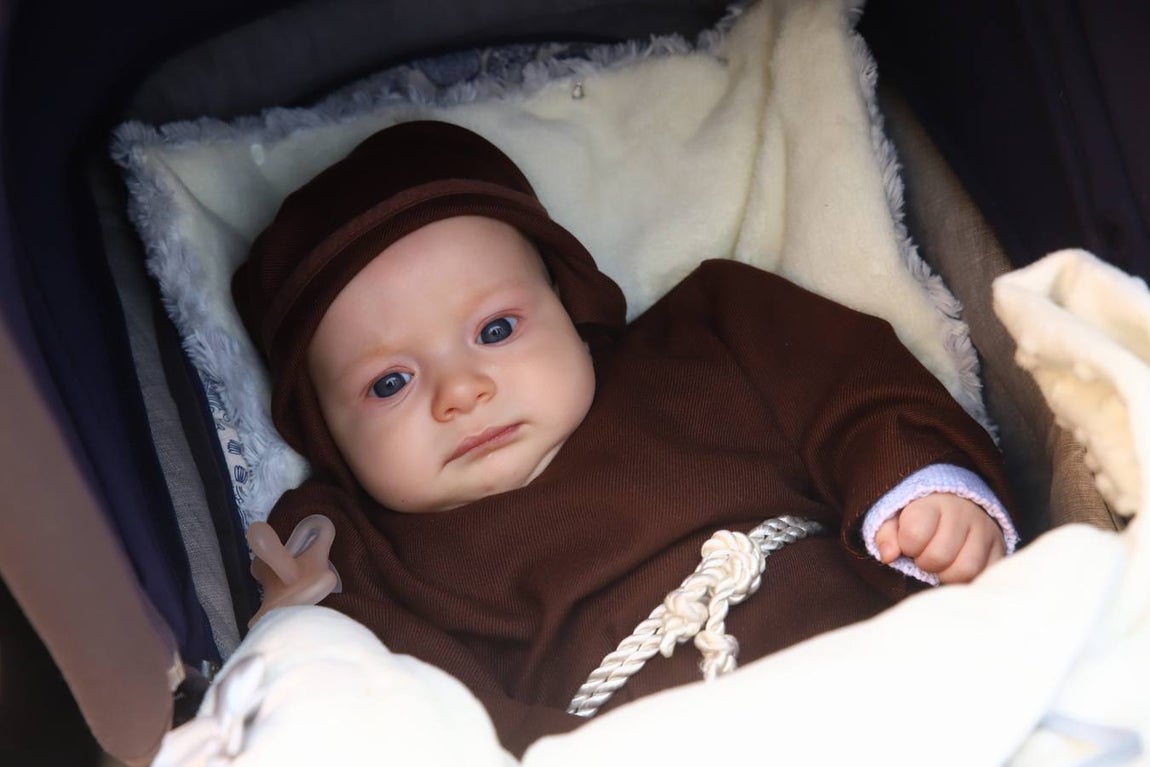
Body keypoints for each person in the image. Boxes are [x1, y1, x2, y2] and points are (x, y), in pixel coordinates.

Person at [232, 120, 1018, 756]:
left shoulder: (703, 340)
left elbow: (848, 384)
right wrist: (300, 623)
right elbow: (412, 714)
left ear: (570, 304)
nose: (461, 392)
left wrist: (920, 484)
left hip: (894, 674)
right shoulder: (370, 556)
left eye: (496, 329)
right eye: (389, 382)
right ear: (326, 436)